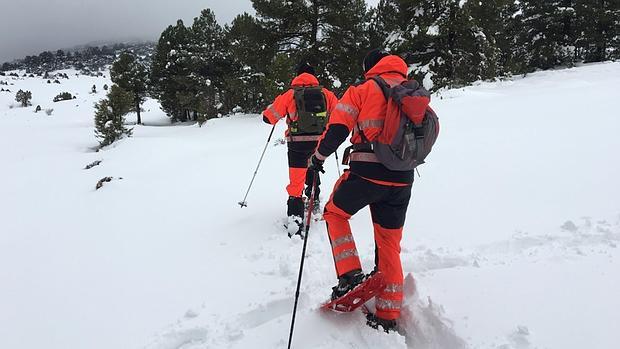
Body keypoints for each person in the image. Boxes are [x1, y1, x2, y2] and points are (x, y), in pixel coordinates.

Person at [308, 50, 429, 332]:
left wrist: (317, 159)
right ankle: (387, 316)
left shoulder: (362, 90)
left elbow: (337, 129)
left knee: (335, 213)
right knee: (389, 243)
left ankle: (349, 275)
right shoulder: (412, 92)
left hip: (366, 174)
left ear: (370, 67)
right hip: (403, 179)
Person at [262, 61, 339, 236]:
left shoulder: (290, 94)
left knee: (296, 179)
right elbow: (340, 113)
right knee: (313, 168)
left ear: (297, 75)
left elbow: (269, 118)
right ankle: (314, 200)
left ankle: (296, 220)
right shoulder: (326, 94)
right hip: (319, 142)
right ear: (314, 76)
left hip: (297, 144)